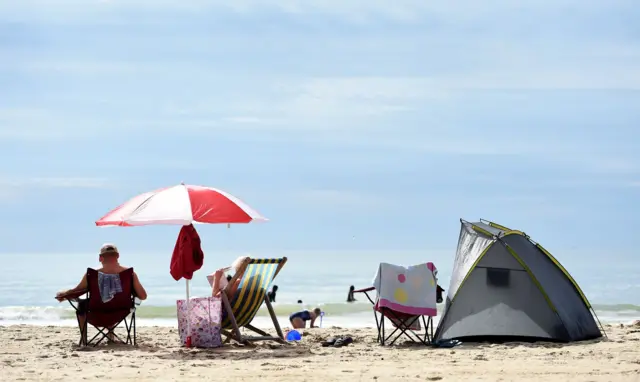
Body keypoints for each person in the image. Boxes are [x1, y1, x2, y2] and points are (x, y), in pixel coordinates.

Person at [55, 243, 147, 341]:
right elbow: (143, 296)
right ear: (118, 256)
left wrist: (64, 295)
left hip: (95, 313)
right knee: (112, 300)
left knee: (82, 305)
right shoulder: (130, 274)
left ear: (100, 258)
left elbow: (76, 291)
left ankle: (84, 338)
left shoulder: (92, 275)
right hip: (120, 313)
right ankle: (110, 333)